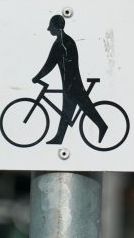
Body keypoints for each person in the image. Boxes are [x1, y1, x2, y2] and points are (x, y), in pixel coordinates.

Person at [32, 15, 107, 144]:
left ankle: (101, 126)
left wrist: (37, 77)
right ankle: (59, 138)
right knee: (69, 112)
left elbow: (49, 65)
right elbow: (52, 64)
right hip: (71, 83)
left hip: (72, 84)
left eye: (50, 26)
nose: (48, 29)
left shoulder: (61, 43)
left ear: (56, 27)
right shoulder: (65, 41)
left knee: (83, 109)